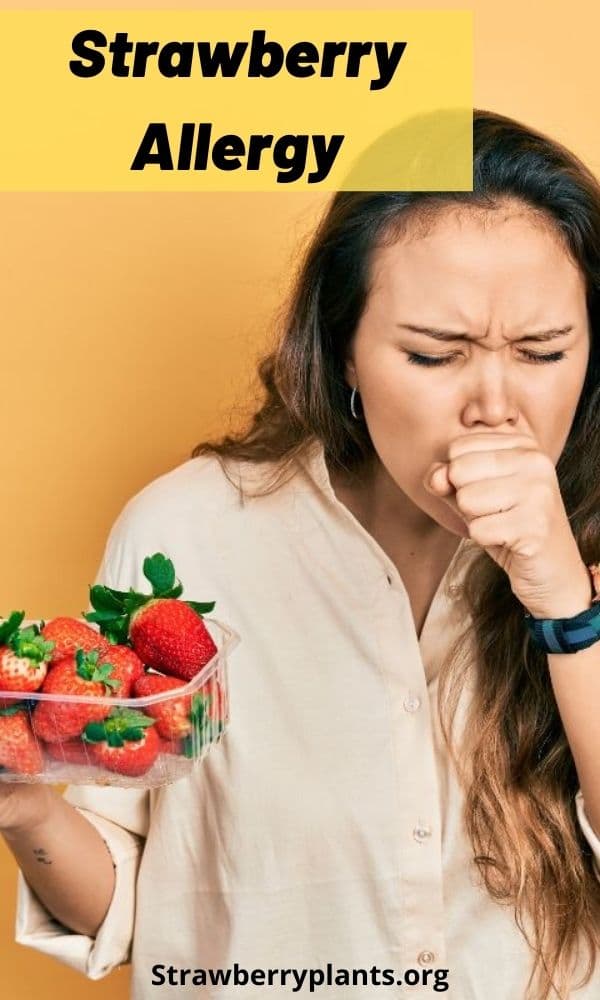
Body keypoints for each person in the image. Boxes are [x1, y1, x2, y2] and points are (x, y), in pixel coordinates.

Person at [2, 108, 600, 1000]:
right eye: (436, 356)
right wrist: (22, 806)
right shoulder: (188, 533)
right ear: (344, 351)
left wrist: (564, 603)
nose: (495, 407)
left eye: (543, 352)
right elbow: (128, 909)